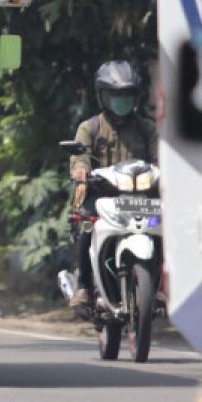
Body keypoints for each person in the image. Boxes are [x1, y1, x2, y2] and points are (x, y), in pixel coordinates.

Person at [67, 60, 156, 311]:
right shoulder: (89, 127)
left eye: (127, 94)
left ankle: (159, 286)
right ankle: (84, 285)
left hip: (141, 198)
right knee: (86, 224)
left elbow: (160, 158)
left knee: (167, 227)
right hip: (101, 197)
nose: (121, 99)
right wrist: (81, 170)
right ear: (102, 96)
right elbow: (79, 156)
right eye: (115, 94)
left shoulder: (147, 128)